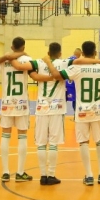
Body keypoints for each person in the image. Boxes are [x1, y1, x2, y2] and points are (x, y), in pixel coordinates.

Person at [47, 41, 100, 186]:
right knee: (99, 141)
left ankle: (88, 176)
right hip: (97, 111)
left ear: (82, 53)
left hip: (81, 111)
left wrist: (47, 62)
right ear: (95, 53)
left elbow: (56, 75)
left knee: (83, 142)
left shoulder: (76, 68)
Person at [0, 36, 43, 181]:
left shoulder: (4, 60)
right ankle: (20, 172)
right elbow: (35, 75)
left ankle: (5, 172)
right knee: (22, 136)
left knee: (5, 135)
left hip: (6, 103)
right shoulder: (27, 60)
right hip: (21, 103)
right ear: (23, 47)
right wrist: (24, 54)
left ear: (12, 47)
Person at [31, 43, 70, 185]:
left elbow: (25, 68)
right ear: (60, 53)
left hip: (41, 107)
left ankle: (43, 176)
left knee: (41, 144)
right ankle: (51, 174)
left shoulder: (38, 63)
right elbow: (81, 60)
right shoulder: (65, 63)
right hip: (57, 108)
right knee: (53, 143)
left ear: (48, 52)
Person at [65, 47, 82, 112]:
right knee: (75, 99)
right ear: (79, 54)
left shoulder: (67, 60)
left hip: (66, 83)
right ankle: (76, 114)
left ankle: (61, 114)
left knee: (64, 99)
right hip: (74, 83)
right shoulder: (78, 61)